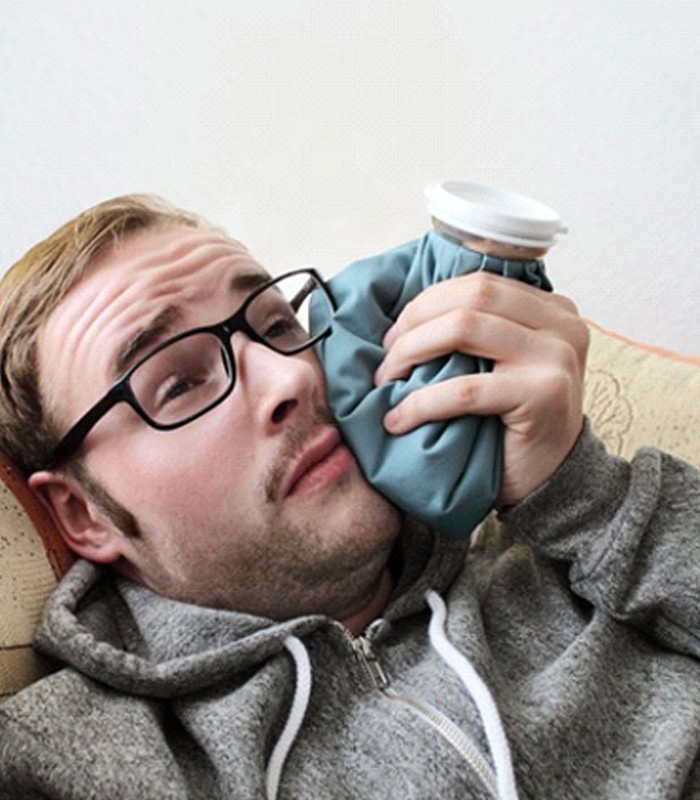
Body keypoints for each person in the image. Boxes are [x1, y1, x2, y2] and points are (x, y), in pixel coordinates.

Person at [0, 195, 698, 800]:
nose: (289, 379)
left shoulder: (585, 555)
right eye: (178, 383)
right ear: (84, 515)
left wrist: (583, 497)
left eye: (277, 325)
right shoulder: (70, 757)